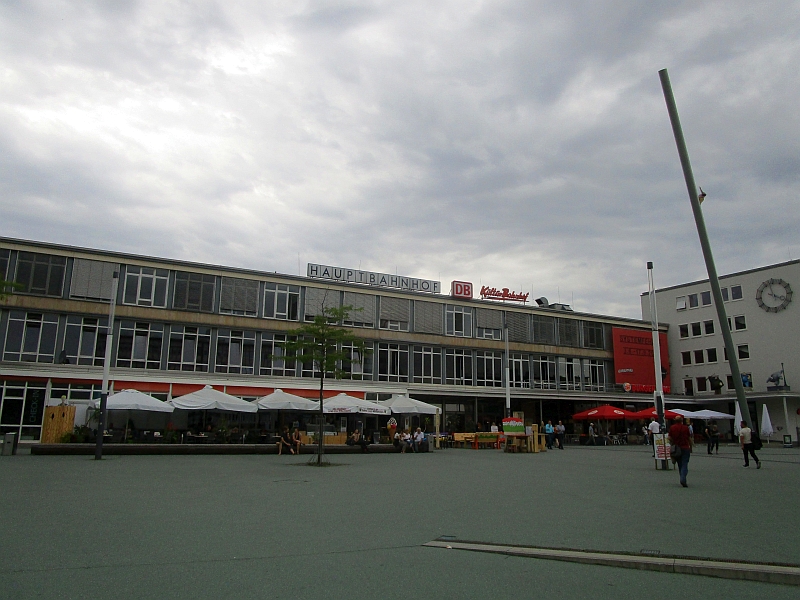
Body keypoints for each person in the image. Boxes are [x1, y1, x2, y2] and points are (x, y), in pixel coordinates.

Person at [668, 415, 692, 487]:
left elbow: (669, 437)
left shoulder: (672, 427)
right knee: (685, 463)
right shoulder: (685, 428)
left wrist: (673, 442)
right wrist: (690, 447)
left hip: (676, 448)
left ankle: (682, 477)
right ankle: (683, 477)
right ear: (682, 421)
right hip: (685, 447)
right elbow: (689, 437)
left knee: (679, 463)